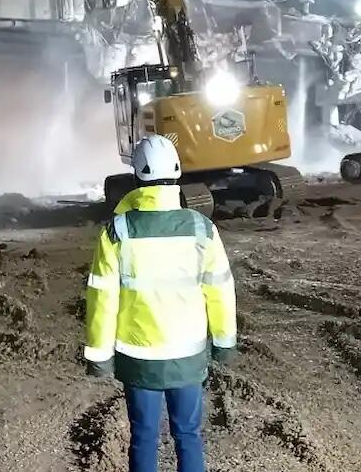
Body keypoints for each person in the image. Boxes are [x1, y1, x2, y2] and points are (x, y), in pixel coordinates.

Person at [84, 135, 237, 472]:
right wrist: (224, 344)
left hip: (139, 357)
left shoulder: (117, 232)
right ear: (178, 174)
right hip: (188, 354)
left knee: (143, 437)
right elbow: (221, 291)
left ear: (137, 177)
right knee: (188, 435)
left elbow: (102, 299)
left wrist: (99, 356)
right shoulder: (202, 229)